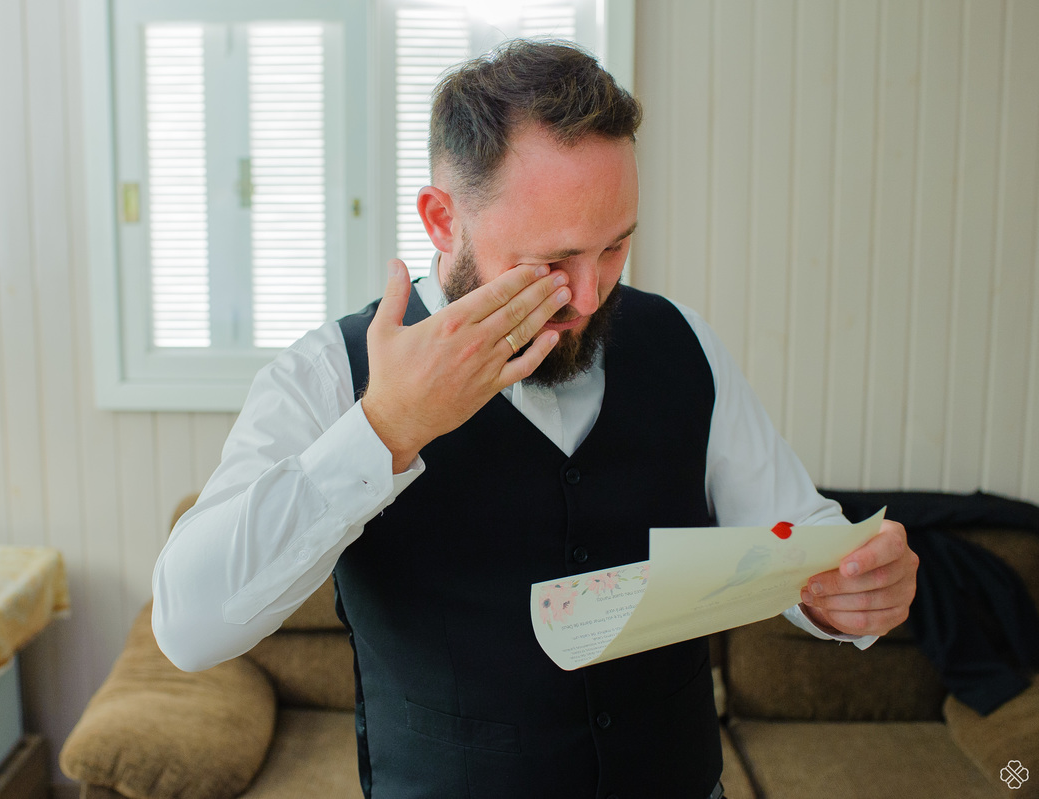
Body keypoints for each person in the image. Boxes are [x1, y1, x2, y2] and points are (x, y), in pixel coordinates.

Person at [152, 40, 918, 799]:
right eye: (552, 261)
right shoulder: (326, 374)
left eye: (615, 247)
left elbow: (796, 533)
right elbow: (188, 628)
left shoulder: (683, 341)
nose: (587, 296)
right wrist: (384, 429)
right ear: (443, 220)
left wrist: (848, 590)